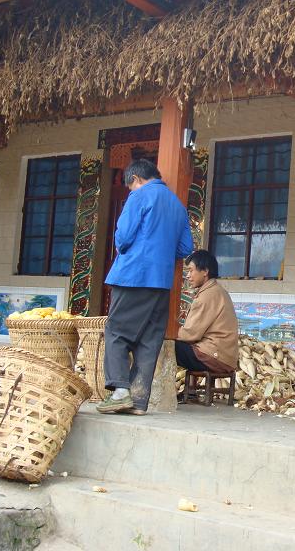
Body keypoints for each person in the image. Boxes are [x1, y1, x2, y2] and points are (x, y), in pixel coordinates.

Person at [97, 158, 193, 415]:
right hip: (161, 283)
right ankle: (139, 402)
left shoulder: (139, 196)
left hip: (134, 276)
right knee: (150, 340)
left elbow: (124, 237)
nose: (130, 191)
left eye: (130, 187)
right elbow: (185, 248)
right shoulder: (178, 206)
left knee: (116, 331)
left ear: (136, 179)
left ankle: (119, 392)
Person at [176, 250, 239, 374]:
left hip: (213, 356)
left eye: (191, 270)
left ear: (205, 271)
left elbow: (190, 335)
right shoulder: (217, 290)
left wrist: (167, 333)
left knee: (164, 345)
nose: (188, 276)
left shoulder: (207, 295)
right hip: (224, 357)